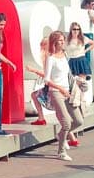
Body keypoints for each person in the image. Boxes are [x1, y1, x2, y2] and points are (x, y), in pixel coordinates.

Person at [43, 31, 84, 160]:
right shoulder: (51, 58)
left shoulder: (65, 55)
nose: (62, 42)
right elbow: (47, 80)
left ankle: (61, 135)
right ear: (54, 42)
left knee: (79, 121)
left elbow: (68, 75)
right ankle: (61, 152)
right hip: (56, 92)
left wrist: (77, 82)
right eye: (60, 40)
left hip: (68, 92)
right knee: (66, 122)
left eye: (63, 40)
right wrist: (60, 89)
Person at [25, 36, 50, 125]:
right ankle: (41, 118)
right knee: (34, 95)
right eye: (41, 44)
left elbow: (48, 75)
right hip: (50, 86)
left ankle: (41, 118)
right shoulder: (46, 56)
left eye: (44, 44)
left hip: (53, 87)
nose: (42, 46)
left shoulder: (49, 57)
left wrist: (33, 70)